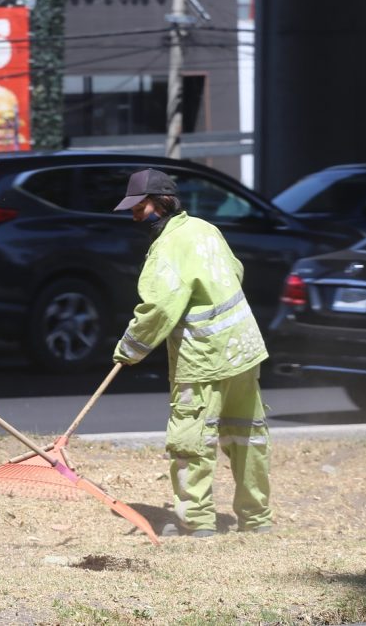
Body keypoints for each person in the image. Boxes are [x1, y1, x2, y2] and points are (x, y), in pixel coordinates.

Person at [111, 168, 272, 538]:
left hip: (203, 358)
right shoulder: (206, 229)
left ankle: (196, 522)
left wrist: (128, 350)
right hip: (244, 349)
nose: (135, 215)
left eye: (141, 206)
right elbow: (235, 271)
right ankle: (257, 519)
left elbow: (158, 308)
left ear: (163, 203)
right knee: (247, 437)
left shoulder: (167, 247)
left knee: (191, 440)